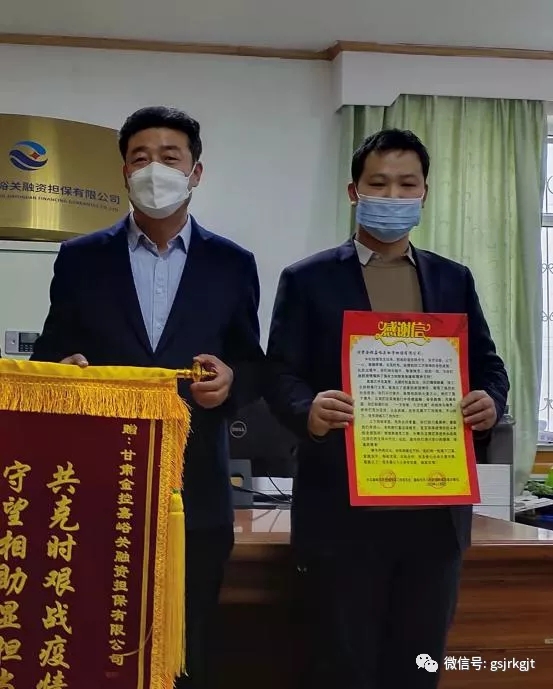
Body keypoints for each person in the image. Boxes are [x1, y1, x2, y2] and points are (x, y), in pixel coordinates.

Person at [264, 129, 509, 689]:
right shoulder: (307, 279)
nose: (393, 196)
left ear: (425, 193)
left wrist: (489, 402)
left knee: (418, 666)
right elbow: (278, 374)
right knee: (343, 667)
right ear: (354, 191)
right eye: (378, 184)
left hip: (433, 513)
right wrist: (308, 409)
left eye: (406, 184)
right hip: (343, 513)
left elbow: (490, 368)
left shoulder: (453, 278)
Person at [31, 106, 264, 688]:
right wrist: (63, 374)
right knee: (98, 636)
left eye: (169, 157)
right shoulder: (81, 258)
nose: (154, 169)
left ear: (196, 172)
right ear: (124, 173)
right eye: (140, 158)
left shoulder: (233, 264)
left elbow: (253, 365)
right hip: (101, 486)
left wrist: (231, 383)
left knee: (188, 642)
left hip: (196, 490)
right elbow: (49, 357)